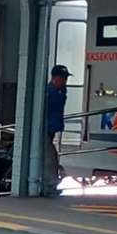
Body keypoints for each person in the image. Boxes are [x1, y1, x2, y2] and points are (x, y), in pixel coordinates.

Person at [45, 64, 69, 197]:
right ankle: (51, 185)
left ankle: (51, 183)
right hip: (46, 128)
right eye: (63, 78)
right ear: (55, 78)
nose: (65, 81)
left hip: (52, 127)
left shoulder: (61, 91)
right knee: (50, 156)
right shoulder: (49, 92)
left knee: (51, 155)